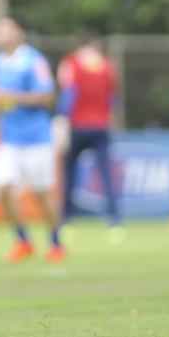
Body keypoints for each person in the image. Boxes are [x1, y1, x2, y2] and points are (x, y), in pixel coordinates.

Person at [0, 17, 63, 263]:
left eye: (5, 30)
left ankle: (56, 242)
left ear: (19, 33)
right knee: (2, 188)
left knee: (42, 194)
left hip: (36, 138)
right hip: (10, 139)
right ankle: (23, 240)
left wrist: (12, 97)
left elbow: (47, 97)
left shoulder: (33, 60)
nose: (0, 34)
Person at [57, 36, 121, 226]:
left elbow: (69, 94)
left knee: (70, 171)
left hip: (77, 125)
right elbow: (112, 98)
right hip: (101, 126)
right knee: (105, 173)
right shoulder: (107, 66)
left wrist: (62, 117)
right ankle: (113, 216)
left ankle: (67, 215)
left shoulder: (71, 63)